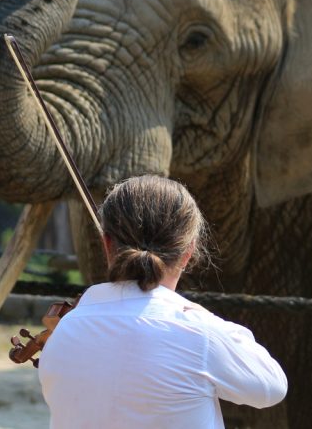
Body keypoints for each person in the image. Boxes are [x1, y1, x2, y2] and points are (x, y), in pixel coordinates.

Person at [38, 175, 287, 428]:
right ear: (188, 252)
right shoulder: (199, 334)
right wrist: (208, 320)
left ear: (106, 244)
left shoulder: (63, 333)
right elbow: (272, 386)